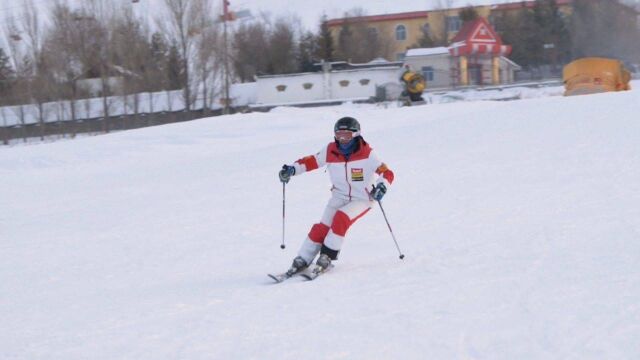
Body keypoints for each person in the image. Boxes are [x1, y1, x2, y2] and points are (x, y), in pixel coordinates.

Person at [278, 116, 395, 275]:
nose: (342, 139)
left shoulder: (367, 153)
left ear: (356, 135)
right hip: (339, 196)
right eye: (339, 135)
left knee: (341, 218)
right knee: (322, 226)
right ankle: (302, 259)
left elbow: (387, 172)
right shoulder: (330, 150)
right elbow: (311, 161)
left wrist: (382, 186)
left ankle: (327, 257)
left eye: (346, 135)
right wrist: (292, 170)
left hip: (362, 199)